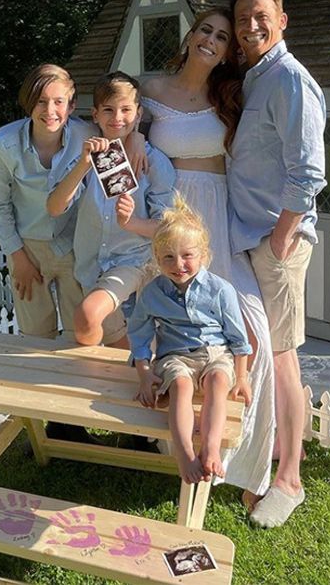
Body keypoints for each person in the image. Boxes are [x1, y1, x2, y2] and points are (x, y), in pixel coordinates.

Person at [141, 10, 275, 505]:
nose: (212, 41)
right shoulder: (150, 87)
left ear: (226, 50)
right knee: (172, 325)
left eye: (222, 37)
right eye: (206, 31)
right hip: (171, 215)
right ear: (190, 34)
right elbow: (118, 132)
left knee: (251, 325)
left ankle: (241, 464)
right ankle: (173, 446)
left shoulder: (230, 94)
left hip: (216, 212)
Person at [228, 0, 327, 527]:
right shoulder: (256, 78)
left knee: (285, 358)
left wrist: (281, 238)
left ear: (282, 20)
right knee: (273, 352)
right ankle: (287, 451)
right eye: (243, 19)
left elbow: (309, 171)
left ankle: (289, 478)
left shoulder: (289, 78)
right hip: (256, 238)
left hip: (276, 241)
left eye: (261, 16)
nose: (251, 26)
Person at [128, 197, 252, 483]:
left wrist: (242, 377)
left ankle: (210, 449)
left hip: (215, 354)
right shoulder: (152, 293)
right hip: (176, 357)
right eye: (168, 257)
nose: (179, 265)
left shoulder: (220, 291)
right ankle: (184, 453)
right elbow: (140, 335)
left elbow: (238, 339)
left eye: (187, 256)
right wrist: (145, 377)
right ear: (157, 258)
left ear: (203, 255)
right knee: (182, 387)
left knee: (219, 382)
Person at [47, 71, 175, 348]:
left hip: (132, 261)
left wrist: (131, 223)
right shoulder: (88, 157)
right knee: (121, 347)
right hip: (90, 265)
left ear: (138, 113)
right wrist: (83, 164)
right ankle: (123, 382)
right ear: (95, 114)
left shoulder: (154, 163)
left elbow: (167, 228)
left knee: (86, 316)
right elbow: (55, 207)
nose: (117, 117)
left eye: (126, 110)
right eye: (108, 110)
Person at [0, 63, 93, 340]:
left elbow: (125, 128)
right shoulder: (4, 144)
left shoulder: (86, 136)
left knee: (81, 331)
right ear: (28, 103)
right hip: (27, 247)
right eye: (41, 102)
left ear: (72, 105)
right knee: (34, 334)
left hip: (74, 244)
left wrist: (138, 139)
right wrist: (17, 257)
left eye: (59, 102)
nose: (50, 111)